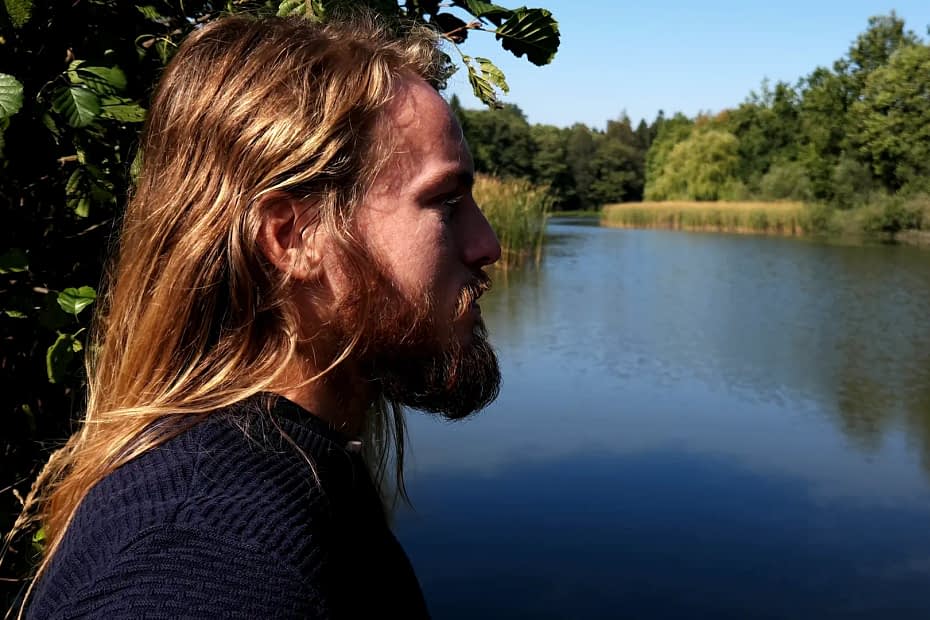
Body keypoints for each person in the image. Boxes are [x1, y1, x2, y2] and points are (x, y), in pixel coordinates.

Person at [22, 13, 502, 619]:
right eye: (445, 203)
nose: (487, 244)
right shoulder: (202, 552)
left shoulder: (291, 477)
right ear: (291, 236)